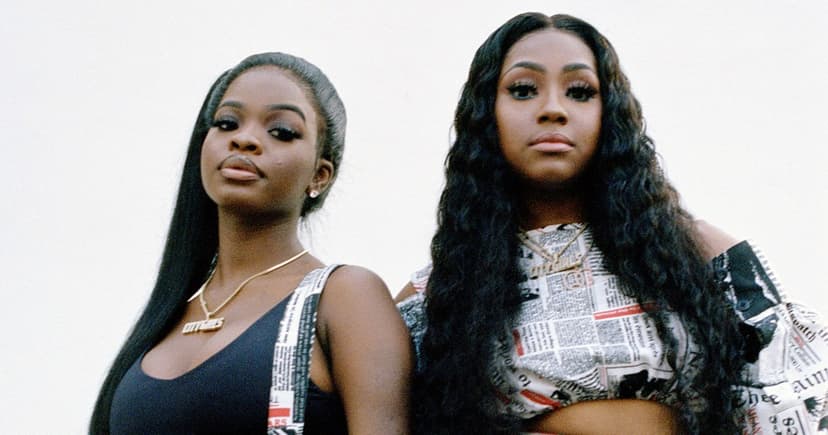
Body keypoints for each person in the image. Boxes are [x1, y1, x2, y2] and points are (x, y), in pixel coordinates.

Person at [396, 13, 828, 435]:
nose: (553, 109)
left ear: (611, 114)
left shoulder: (699, 255)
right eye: (523, 90)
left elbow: (799, 406)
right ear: (486, 114)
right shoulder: (442, 294)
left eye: (580, 91)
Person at [91, 52, 411, 434]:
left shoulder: (343, 297)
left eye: (282, 132)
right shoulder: (168, 315)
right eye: (227, 123)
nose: (244, 139)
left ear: (320, 175)